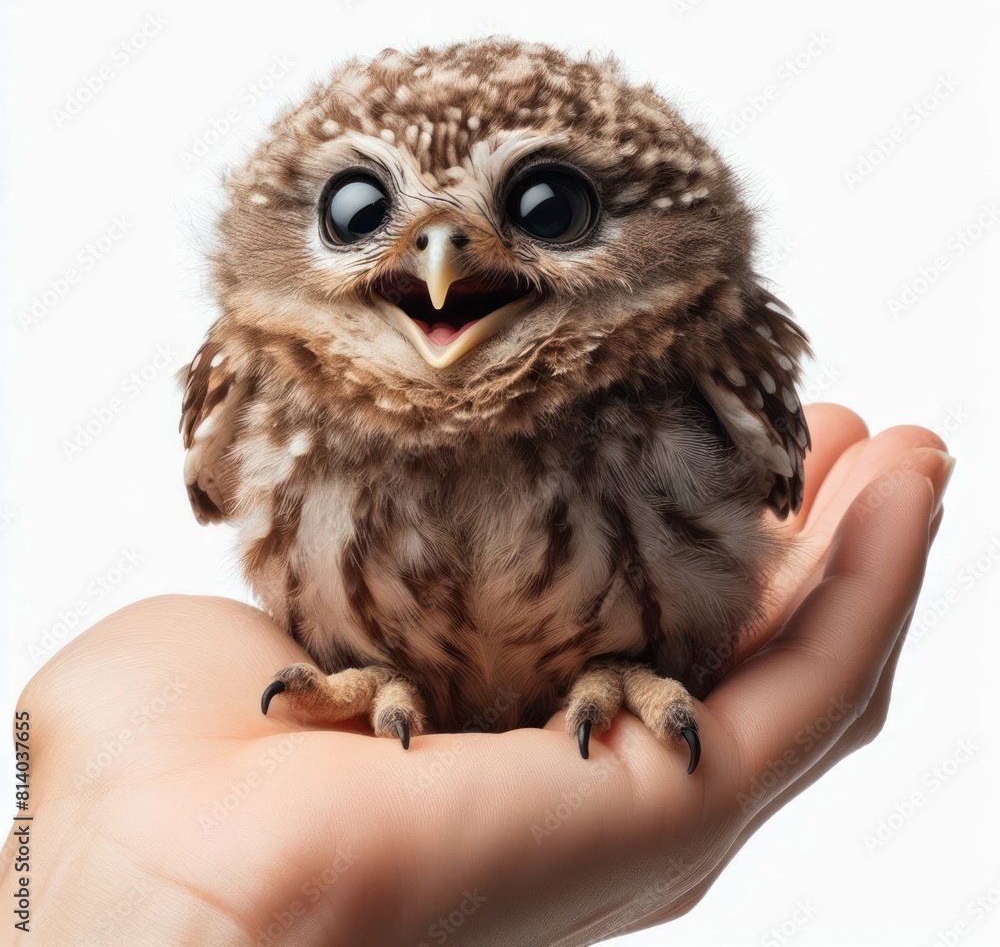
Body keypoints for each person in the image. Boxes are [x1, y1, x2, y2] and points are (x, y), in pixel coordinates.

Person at [1, 405, 953, 946]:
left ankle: (611, 672)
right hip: (385, 680)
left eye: (546, 209)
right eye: (365, 211)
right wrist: (127, 870)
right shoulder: (264, 370)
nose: (445, 262)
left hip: (613, 665)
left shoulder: (701, 353)